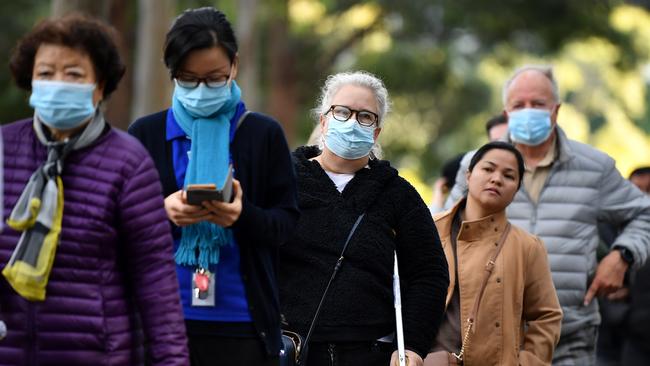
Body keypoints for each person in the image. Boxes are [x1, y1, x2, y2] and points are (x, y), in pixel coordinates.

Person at [0, 15, 188, 364]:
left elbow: (155, 279)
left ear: (99, 86)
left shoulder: (128, 162)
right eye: (45, 73)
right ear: (30, 80)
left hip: (97, 354)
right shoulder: (4, 146)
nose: (57, 83)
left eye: (73, 74)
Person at [445, 65, 650, 365]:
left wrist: (623, 256)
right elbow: (443, 235)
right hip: (491, 340)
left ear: (556, 110)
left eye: (538, 104)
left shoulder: (594, 168)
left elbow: (644, 214)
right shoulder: (479, 166)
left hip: (571, 336)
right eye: (519, 105)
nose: (528, 111)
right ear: (507, 112)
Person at [128, 7, 299, 366]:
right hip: (160, 321)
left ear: (234, 65)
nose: (201, 90)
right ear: (172, 73)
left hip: (242, 325)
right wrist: (163, 211)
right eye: (189, 79)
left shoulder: (262, 134)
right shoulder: (145, 134)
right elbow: (120, 228)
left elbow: (286, 226)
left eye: (214, 78)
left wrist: (241, 215)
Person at [279, 71, 449, 366]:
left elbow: (429, 273)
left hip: (371, 353)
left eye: (365, 116)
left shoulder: (397, 194)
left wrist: (411, 344)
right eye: (342, 111)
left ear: (377, 131)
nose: (352, 121)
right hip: (291, 348)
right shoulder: (282, 181)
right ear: (323, 120)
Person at [425, 141, 562, 365]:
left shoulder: (527, 247)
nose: (496, 179)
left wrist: (525, 363)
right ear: (468, 175)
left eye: (509, 176)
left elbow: (546, 316)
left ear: (517, 189)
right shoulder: (427, 230)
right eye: (488, 169)